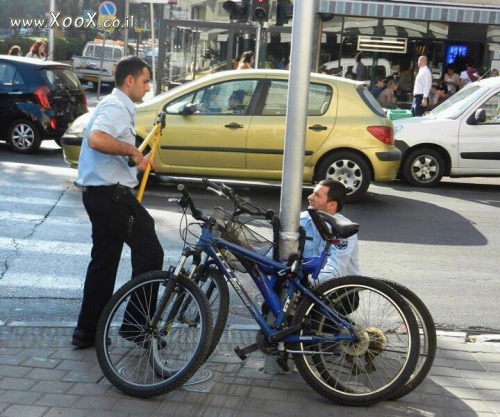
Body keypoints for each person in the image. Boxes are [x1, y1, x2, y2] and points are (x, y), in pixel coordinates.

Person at [72, 56, 164, 348]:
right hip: (110, 196)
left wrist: (134, 164)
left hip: (100, 194)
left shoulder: (117, 106)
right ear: (130, 81)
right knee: (150, 251)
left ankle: (87, 331)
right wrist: (133, 152)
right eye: (145, 81)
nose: (148, 88)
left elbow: (106, 150)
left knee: (104, 261)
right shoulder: (115, 106)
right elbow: (97, 140)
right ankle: (136, 327)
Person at [300, 179, 361, 281]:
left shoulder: (345, 230)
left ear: (332, 205)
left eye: (317, 195)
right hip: (307, 284)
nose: (310, 197)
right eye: (312, 193)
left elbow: (334, 270)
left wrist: (308, 283)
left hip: (340, 289)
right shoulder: (301, 219)